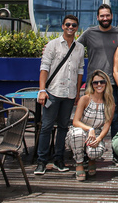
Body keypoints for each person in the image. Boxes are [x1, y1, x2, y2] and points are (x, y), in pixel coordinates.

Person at [35, 15, 84, 175]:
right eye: (68, 24)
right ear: (63, 26)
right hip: (53, 92)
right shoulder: (52, 45)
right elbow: (45, 67)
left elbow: (79, 71)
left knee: (63, 127)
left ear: (77, 27)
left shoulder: (80, 48)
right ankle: (41, 161)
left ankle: (58, 158)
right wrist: (42, 90)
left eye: (74, 25)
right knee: (47, 127)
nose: (71, 27)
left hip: (69, 94)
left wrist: (77, 92)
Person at [78, 4, 118, 140]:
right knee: (88, 116)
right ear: (97, 17)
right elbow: (73, 47)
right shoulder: (89, 33)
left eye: (107, 15)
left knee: (114, 119)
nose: (105, 18)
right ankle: (87, 149)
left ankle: (116, 154)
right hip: (93, 83)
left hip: (113, 82)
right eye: (102, 16)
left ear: (112, 16)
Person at [66, 70, 114, 181]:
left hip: (96, 133)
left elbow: (107, 125)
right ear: (91, 85)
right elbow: (76, 121)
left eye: (102, 82)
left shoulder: (110, 103)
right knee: (77, 134)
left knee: (95, 151)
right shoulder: (85, 99)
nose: (99, 85)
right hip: (80, 131)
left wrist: (99, 138)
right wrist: (90, 129)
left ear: (106, 83)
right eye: (95, 83)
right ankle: (79, 163)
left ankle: (92, 160)